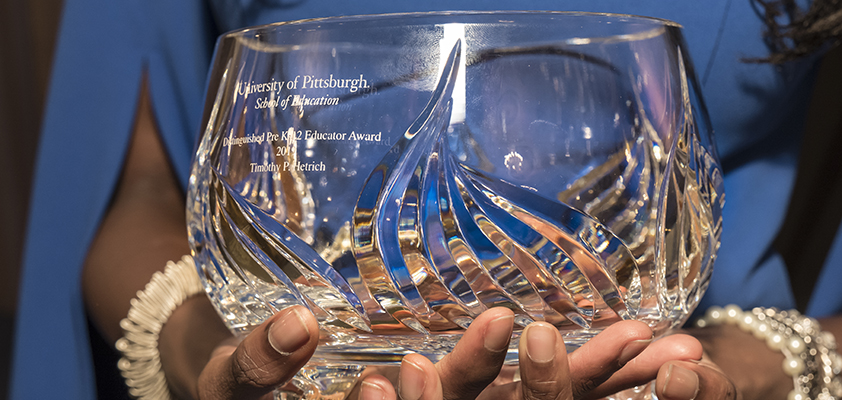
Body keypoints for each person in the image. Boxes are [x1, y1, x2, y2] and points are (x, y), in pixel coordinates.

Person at [9, 0, 842, 399]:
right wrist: (202, 353)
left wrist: (766, 364)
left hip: (662, 360)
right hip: (324, 361)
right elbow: (143, 178)